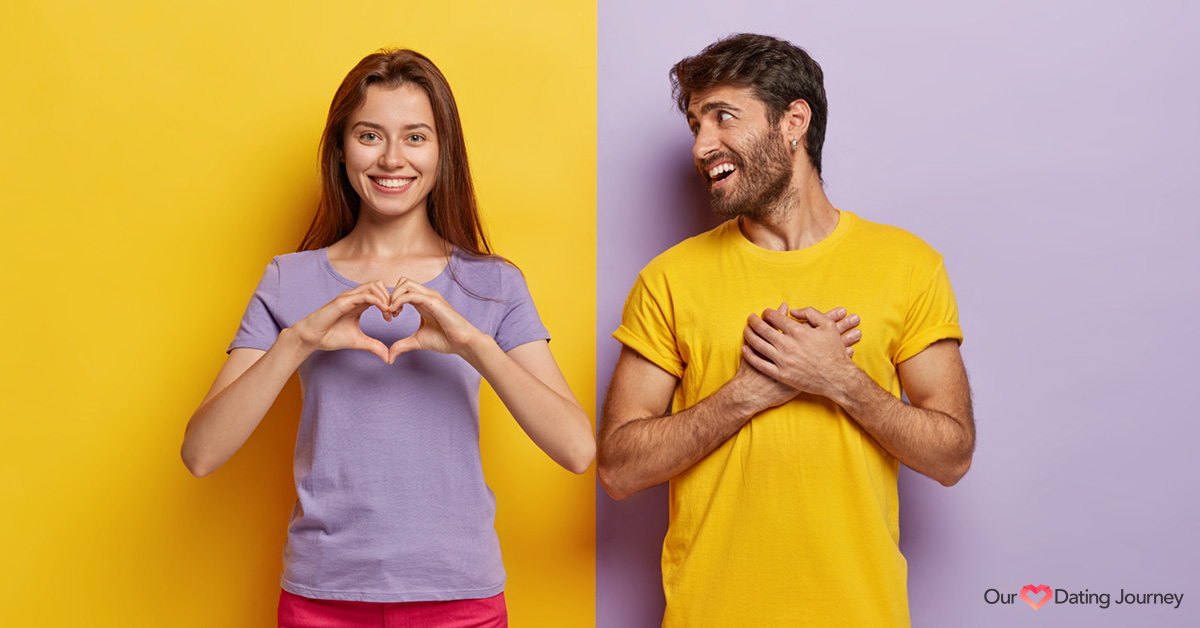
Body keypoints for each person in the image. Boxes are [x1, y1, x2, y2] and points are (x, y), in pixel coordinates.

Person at [181, 49, 594, 628]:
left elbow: (577, 448)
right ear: (341, 148)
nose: (392, 158)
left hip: (460, 597)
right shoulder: (289, 279)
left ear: (442, 151)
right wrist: (300, 339)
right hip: (322, 595)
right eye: (370, 135)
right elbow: (201, 453)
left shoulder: (491, 283)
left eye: (416, 136)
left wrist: (472, 342)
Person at [597, 34, 974, 627]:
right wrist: (748, 393)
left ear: (793, 120)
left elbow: (952, 455)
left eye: (723, 117)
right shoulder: (669, 279)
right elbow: (618, 468)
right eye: (696, 124)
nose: (702, 146)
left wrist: (840, 382)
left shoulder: (907, 266)